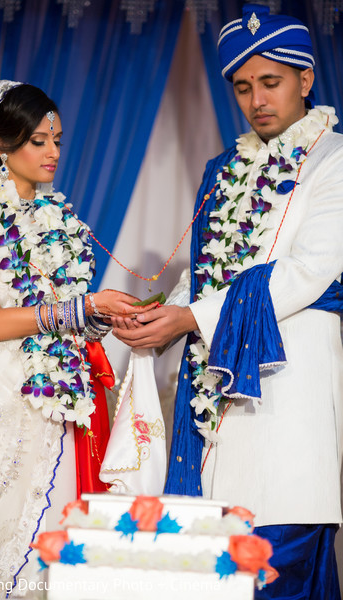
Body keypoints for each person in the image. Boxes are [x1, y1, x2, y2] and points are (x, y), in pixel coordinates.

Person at [112, 4, 343, 598]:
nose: (257, 99)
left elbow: (306, 272)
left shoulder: (336, 162)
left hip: (291, 394)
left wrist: (191, 316)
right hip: (217, 406)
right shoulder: (222, 171)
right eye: (243, 87)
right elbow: (206, 275)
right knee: (219, 573)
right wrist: (161, 316)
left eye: (271, 82)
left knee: (278, 567)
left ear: (305, 80)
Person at [0, 80, 154, 599]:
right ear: (0, 144)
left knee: (54, 554)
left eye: (57, 140)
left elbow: (61, 315)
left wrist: (104, 320)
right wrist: (83, 307)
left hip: (59, 402)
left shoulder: (60, 217)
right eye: (38, 141)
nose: (54, 152)